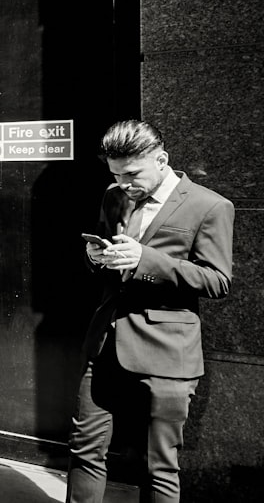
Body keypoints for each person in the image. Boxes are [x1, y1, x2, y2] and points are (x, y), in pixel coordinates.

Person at [66, 120, 234, 503]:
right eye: (116, 174)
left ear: (162, 160)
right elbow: (109, 253)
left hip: (167, 353)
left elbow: (218, 281)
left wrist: (147, 259)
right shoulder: (113, 195)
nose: (124, 183)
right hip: (105, 344)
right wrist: (95, 257)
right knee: (84, 451)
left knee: (159, 466)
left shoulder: (210, 206)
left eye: (132, 174)